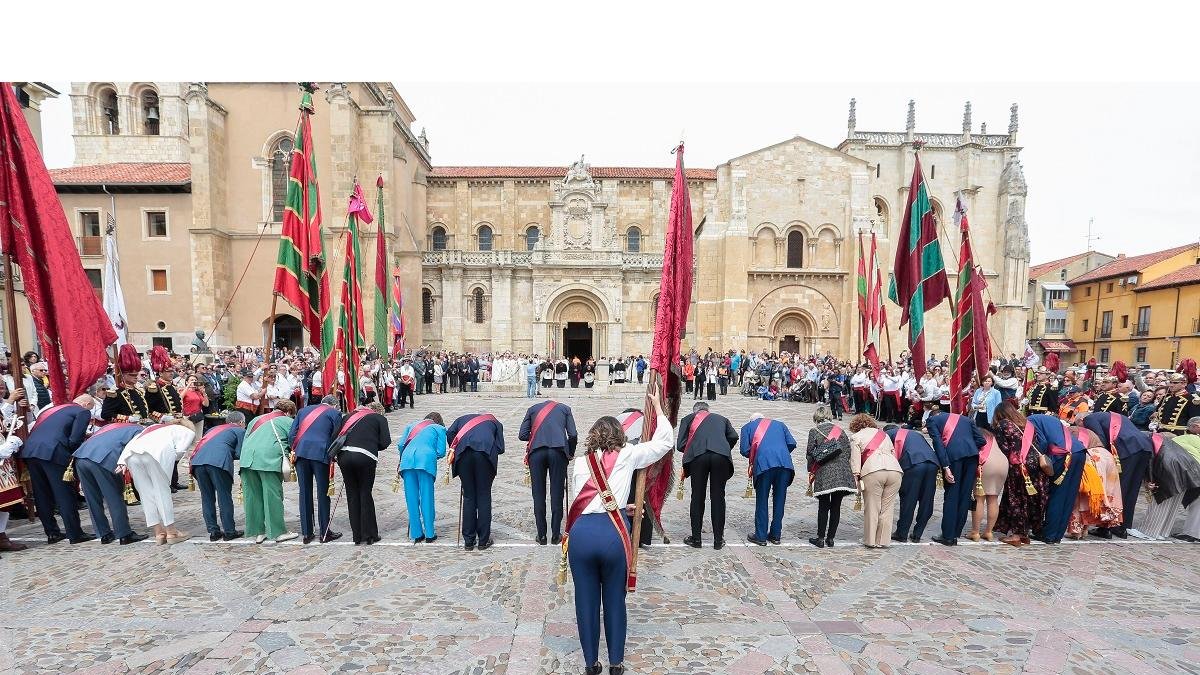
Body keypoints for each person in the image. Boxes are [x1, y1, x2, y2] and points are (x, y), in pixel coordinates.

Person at [566, 390, 673, 675]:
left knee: (585, 601)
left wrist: (619, 505)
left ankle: (591, 664)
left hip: (581, 534)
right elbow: (664, 443)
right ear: (619, 435)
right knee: (614, 600)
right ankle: (616, 663)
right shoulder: (628, 454)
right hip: (613, 533)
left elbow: (582, 501)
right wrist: (658, 410)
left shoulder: (579, 463)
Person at [22, 397, 95, 544]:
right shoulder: (82, 412)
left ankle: (52, 533)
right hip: (54, 452)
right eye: (91, 408)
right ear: (86, 404)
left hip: (30, 451)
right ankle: (75, 533)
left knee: (41, 494)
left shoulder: (50, 410)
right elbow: (75, 439)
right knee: (64, 493)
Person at [117, 417, 195, 544]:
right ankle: (171, 532)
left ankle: (158, 532)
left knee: (145, 494)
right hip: (156, 455)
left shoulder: (153, 427)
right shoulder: (187, 431)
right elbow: (180, 452)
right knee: (162, 491)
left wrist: (122, 461)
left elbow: (133, 442)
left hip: (132, 455)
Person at [71, 419, 148, 546]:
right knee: (114, 497)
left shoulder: (113, 426)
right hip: (103, 459)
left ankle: (104, 534)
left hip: (81, 458)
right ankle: (124, 534)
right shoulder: (140, 431)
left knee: (92, 499)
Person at [676, 401, 738, 549]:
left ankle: (696, 539)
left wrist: (694, 448)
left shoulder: (687, 419)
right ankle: (718, 541)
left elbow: (680, 445)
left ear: (695, 411)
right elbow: (734, 436)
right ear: (708, 410)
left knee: (697, 497)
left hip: (698, 457)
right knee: (718, 497)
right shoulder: (722, 419)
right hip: (720, 457)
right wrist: (722, 447)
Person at [1081, 410, 1153, 539]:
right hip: (1144, 446)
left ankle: (1107, 527)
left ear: (1081, 421)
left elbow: (1100, 440)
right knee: (1131, 490)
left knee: (1116, 489)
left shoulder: (1089, 419)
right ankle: (1122, 527)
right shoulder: (1111, 416)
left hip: (1127, 449)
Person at [519, 399, 579, 544]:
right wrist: (570, 452)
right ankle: (556, 535)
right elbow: (573, 435)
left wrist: (538, 435)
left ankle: (542, 535)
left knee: (538, 494)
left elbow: (522, 434)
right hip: (558, 452)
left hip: (536, 453)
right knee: (557, 493)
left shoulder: (532, 409)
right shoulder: (565, 409)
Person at [239, 401, 299, 544]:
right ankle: (278, 532)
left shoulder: (255, 420)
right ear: (289, 412)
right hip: (269, 459)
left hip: (247, 459)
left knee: (252, 496)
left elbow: (246, 438)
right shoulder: (287, 421)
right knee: (272, 496)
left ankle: (259, 532)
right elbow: (294, 440)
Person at [993, 401, 1049, 546]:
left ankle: (1016, 535)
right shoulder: (1027, 424)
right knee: (1031, 499)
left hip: (1019, 465)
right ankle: (1025, 532)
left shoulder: (1003, 425)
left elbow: (1004, 448)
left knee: (1016, 499)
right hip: (1036, 463)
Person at [926, 410, 986, 545]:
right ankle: (955, 533)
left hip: (953, 459)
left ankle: (948, 536)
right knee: (964, 496)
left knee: (951, 496)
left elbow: (938, 443)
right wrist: (967, 447)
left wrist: (945, 467)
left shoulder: (932, 421)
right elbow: (981, 440)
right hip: (972, 458)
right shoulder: (966, 419)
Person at [289, 395, 344, 544]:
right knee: (323, 493)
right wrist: (332, 454)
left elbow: (292, 434)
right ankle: (324, 532)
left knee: (304, 493)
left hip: (301, 454)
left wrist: (295, 450)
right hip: (321, 454)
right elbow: (336, 437)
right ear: (334, 405)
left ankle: (307, 533)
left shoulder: (303, 411)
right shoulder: (335, 413)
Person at [447, 411, 505, 550]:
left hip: (463, 455)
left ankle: (468, 540)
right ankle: (483, 540)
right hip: (485, 455)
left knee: (469, 496)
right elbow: (500, 448)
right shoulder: (495, 422)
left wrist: (456, 447)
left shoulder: (460, 419)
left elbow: (449, 433)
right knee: (484, 496)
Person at [336, 402, 392, 545]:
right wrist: (372, 445)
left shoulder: (348, 417)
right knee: (365, 493)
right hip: (365, 456)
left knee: (352, 495)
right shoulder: (379, 418)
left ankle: (357, 535)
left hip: (344, 456)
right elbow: (385, 441)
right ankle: (370, 535)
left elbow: (336, 436)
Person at [1028, 412, 1086, 544]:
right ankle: (1057, 534)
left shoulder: (1030, 421)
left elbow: (1042, 443)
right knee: (1068, 496)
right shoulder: (1045, 419)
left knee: (1057, 495)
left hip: (1062, 454)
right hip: (1079, 451)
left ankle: (1049, 534)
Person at [190, 411, 246, 542]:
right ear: (241, 422)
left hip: (197, 462)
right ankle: (229, 531)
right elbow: (240, 453)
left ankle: (213, 531)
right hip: (218, 463)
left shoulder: (213, 429)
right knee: (224, 496)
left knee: (207, 497)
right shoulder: (239, 430)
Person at [741, 413, 796, 545]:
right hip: (784, 464)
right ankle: (776, 535)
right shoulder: (780, 424)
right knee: (780, 500)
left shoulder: (747, 427)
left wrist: (758, 454)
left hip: (763, 465)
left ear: (751, 421)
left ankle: (760, 536)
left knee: (762, 500)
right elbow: (792, 443)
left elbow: (744, 450)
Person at [848, 414, 902, 548]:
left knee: (872, 507)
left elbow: (855, 460)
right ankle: (882, 541)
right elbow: (893, 453)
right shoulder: (884, 435)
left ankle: (870, 540)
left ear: (855, 426)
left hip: (873, 471)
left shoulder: (856, 437)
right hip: (895, 470)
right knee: (887, 508)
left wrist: (856, 476)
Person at [806, 404, 853, 548]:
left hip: (824, 472)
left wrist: (811, 470)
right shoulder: (841, 431)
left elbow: (810, 453)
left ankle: (820, 538)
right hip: (842, 473)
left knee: (823, 506)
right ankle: (831, 538)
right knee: (836, 507)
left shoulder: (814, 431)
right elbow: (847, 451)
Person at [1064, 424, 1123, 539]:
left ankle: (1076, 530)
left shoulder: (1071, 430)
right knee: (1102, 493)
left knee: (1082, 494)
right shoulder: (1089, 431)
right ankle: (1086, 528)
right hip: (1107, 456)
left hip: (1092, 457)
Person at [1140, 429, 1200, 539]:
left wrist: (1148, 480)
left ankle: (1151, 532)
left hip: (1187, 473)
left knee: (1166, 499)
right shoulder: (1188, 440)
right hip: (1190, 473)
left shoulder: (1170, 444)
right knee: (1187, 502)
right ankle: (1166, 532)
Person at [398, 412, 447, 543]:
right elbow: (441, 452)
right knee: (427, 497)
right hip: (425, 461)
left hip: (407, 461)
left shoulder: (411, 426)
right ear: (439, 421)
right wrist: (430, 454)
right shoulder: (439, 428)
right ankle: (430, 533)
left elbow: (401, 445)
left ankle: (416, 533)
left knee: (411, 499)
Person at [884, 423, 938, 543]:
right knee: (927, 499)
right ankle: (917, 534)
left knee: (909, 499)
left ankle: (902, 533)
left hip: (913, 463)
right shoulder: (915, 433)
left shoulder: (887, 435)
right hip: (932, 462)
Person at [967, 429, 1010, 541]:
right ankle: (989, 532)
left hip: (986, 462)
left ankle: (975, 532)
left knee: (979, 498)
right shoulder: (991, 435)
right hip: (1002, 462)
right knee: (993, 498)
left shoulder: (976, 432)